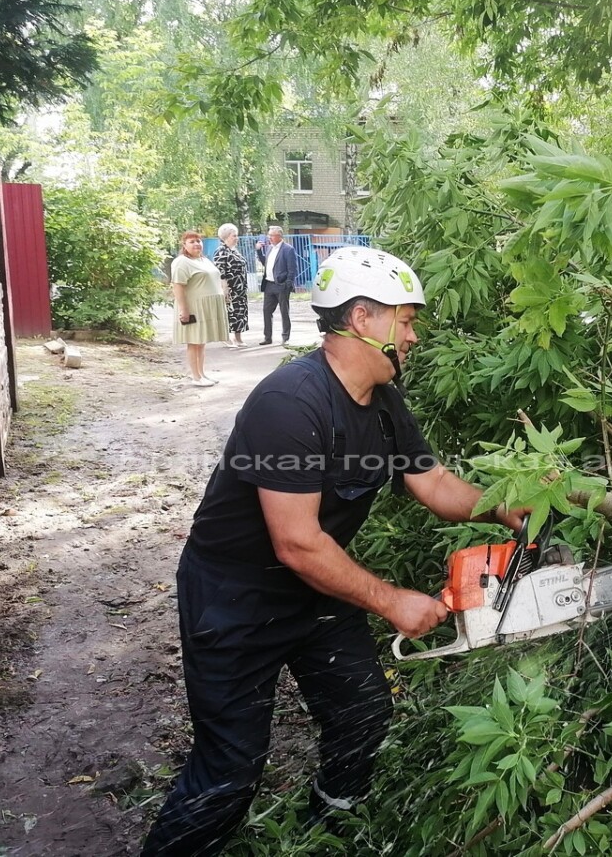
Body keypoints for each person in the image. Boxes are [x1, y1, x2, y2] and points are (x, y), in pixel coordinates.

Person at [141, 247, 527, 856]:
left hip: (315, 589)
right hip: (236, 596)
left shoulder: (382, 402)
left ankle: (328, 827)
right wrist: (391, 600)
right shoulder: (290, 403)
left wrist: (506, 504)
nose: (414, 336)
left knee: (363, 714)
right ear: (363, 320)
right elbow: (297, 542)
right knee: (230, 769)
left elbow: (435, 484)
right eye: (405, 321)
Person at [170, 232, 227, 387]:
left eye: (198, 241)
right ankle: (195, 376)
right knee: (193, 341)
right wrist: (184, 310)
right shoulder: (182, 262)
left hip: (206, 308)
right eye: (192, 241)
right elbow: (178, 286)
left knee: (201, 342)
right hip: (194, 307)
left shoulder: (204, 260)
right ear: (184, 245)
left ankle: (202, 373)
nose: (196, 244)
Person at [258, 225, 297, 346]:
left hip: (281, 285)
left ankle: (285, 337)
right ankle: (267, 337)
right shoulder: (270, 248)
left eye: (272, 235)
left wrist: (288, 284)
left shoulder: (288, 249)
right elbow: (266, 263)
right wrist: (259, 251)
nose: (269, 238)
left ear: (279, 236)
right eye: (269, 235)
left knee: (284, 311)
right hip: (269, 284)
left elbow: (292, 269)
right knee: (266, 311)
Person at [212, 223, 249, 348]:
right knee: (228, 313)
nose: (236, 238)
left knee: (240, 313)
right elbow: (220, 272)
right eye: (234, 236)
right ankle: (226, 338)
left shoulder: (234, 251)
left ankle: (238, 338)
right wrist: (224, 288)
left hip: (240, 289)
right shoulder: (221, 251)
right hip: (229, 288)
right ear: (227, 236)